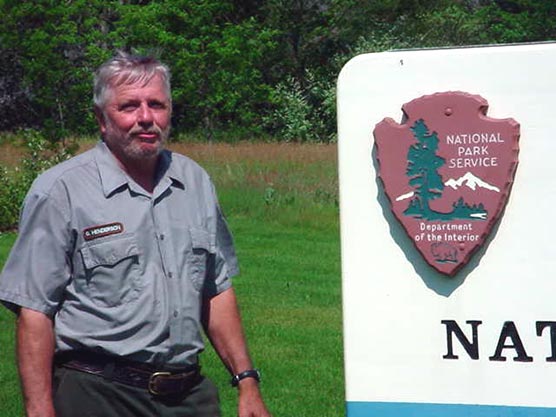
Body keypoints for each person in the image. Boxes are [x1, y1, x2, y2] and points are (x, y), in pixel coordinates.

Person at [0, 52, 271, 417]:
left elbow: (216, 289)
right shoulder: (61, 191)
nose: (146, 118)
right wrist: (39, 410)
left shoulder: (195, 183)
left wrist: (247, 382)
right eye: (129, 106)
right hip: (98, 394)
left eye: (156, 105)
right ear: (101, 118)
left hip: (188, 396)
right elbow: (34, 310)